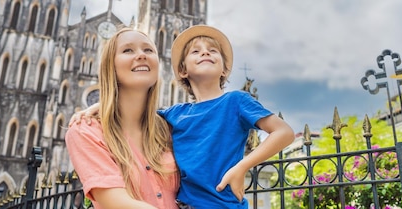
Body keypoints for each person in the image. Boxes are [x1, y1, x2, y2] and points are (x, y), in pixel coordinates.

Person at [71, 25, 294, 209]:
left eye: (148, 50)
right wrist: (102, 105)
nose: (205, 53)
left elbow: (284, 132)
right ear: (182, 71)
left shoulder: (234, 102)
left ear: (225, 69)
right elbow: (135, 111)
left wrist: (242, 167)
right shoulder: (175, 115)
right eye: (195, 51)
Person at [65, 27, 179, 209]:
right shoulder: (86, 130)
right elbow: (117, 203)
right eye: (128, 50)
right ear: (111, 66)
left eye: (148, 50)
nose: (141, 55)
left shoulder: (171, 127)